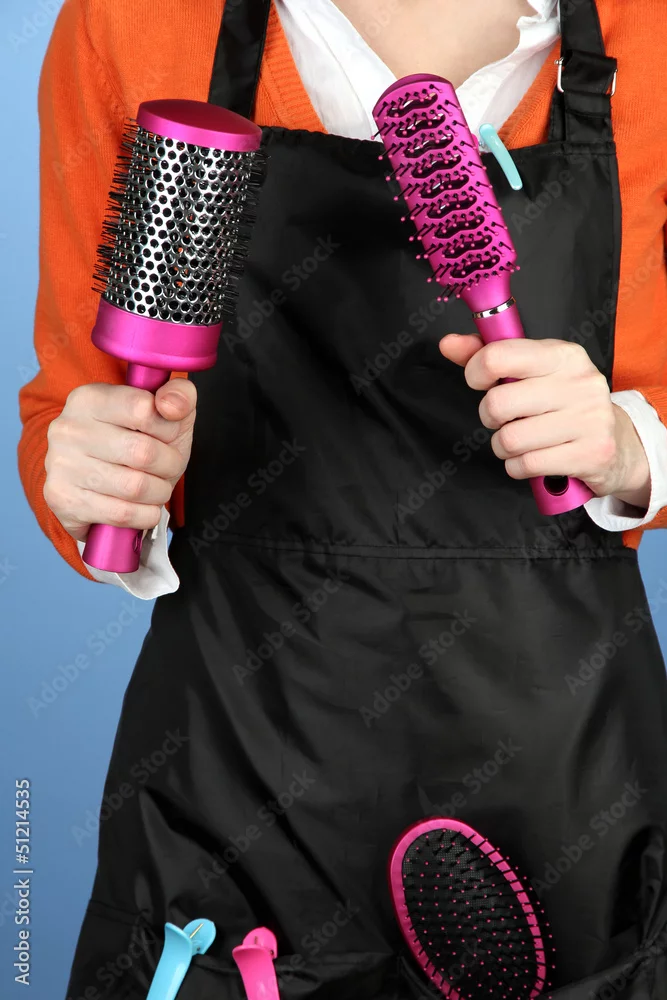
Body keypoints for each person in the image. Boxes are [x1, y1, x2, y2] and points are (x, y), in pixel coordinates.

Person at [18, 0, 667, 996]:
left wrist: (628, 447)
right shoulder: (132, 22)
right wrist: (97, 480)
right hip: (239, 778)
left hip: (566, 786)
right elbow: (73, 406)